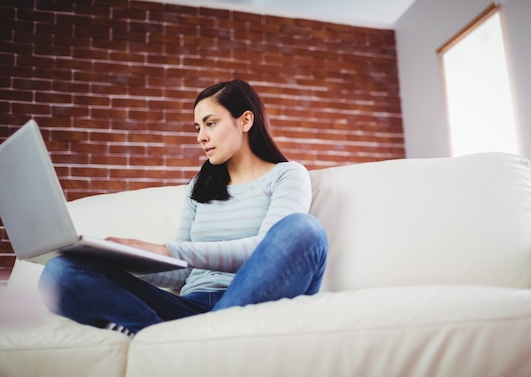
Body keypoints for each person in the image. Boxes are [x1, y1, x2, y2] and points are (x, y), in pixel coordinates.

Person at [38, 80, 328, 337]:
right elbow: (180, 274)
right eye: (197, 127)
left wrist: (164, 250)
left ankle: (200, 338)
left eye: (210, 123)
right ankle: (157, 339)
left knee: (304, 230)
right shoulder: (198, 187)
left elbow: (262, 250)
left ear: (245, 121)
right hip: (186, 310)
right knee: (60, 271)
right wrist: (120, 259)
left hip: (245, 301)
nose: (201, 136)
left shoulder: (287, 175)